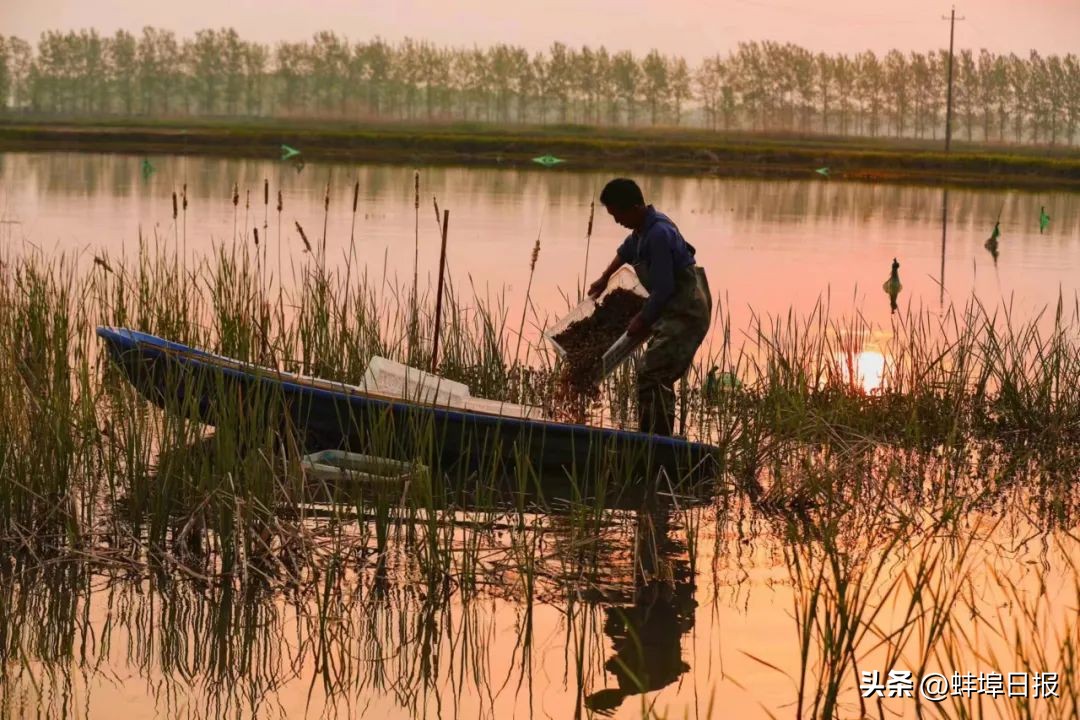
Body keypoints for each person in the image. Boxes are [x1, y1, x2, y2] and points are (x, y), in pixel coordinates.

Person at [588, 178, 712, 436]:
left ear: (633, 207)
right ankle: (655, 437)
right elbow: (626, 251)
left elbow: (664, 288)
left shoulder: (658, 234)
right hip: (670, 310)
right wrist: (604, 278)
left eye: (618, 214)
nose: (617, 221)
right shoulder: (642, 229)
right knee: (655, 375)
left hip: (686, 312)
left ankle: (657, 441)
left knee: (653, 373)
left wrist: (642, 320)